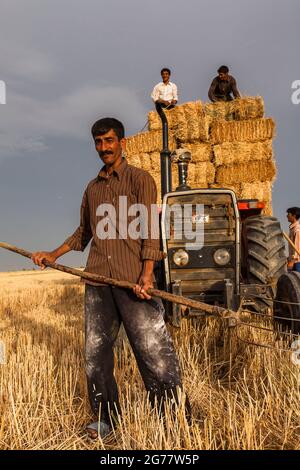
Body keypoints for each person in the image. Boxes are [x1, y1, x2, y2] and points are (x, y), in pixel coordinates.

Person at [31, 117, 189, 439]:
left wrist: (147, 273)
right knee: (96, 356)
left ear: (122, 142)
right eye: (98, 142)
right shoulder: (92, 189)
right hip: (98, 282)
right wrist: (53, 254)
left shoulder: (140, 180)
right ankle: (106, 419)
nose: (104, 147)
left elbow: (150, 230)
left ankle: (173, 417)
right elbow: (84, 232)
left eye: (109, 141)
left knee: (153, 352)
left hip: (133, 282)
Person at [287, 207, 300, 272]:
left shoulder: (297, 230)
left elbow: (297, 248)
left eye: (288, 214)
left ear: (294, 215)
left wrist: (292, 261)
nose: (287, 216)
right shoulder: (292, 229)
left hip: (297, 262)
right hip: (294, 261)